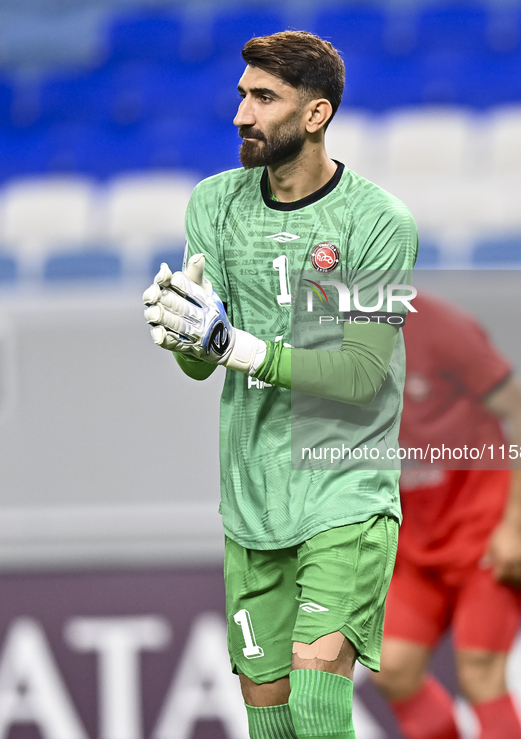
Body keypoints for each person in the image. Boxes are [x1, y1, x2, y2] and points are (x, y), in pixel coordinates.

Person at [142, 31, 417, 739]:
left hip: (344, 488)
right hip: (252, 498)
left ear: (316, 114)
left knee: (317, 708)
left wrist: (237, 345)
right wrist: (187, 335)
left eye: (264, 98)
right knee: (272, 727)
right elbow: (205, 364)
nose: (241, 114)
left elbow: (359, 375)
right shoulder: (213, 205)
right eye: (242, 95)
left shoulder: (377, 222)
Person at [371, 291, 521, 739]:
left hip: (483, 531)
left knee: (481, 675)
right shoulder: (330, 341)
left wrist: (515, 522)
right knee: (391, 669)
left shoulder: (442, 327)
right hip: (415, 542)